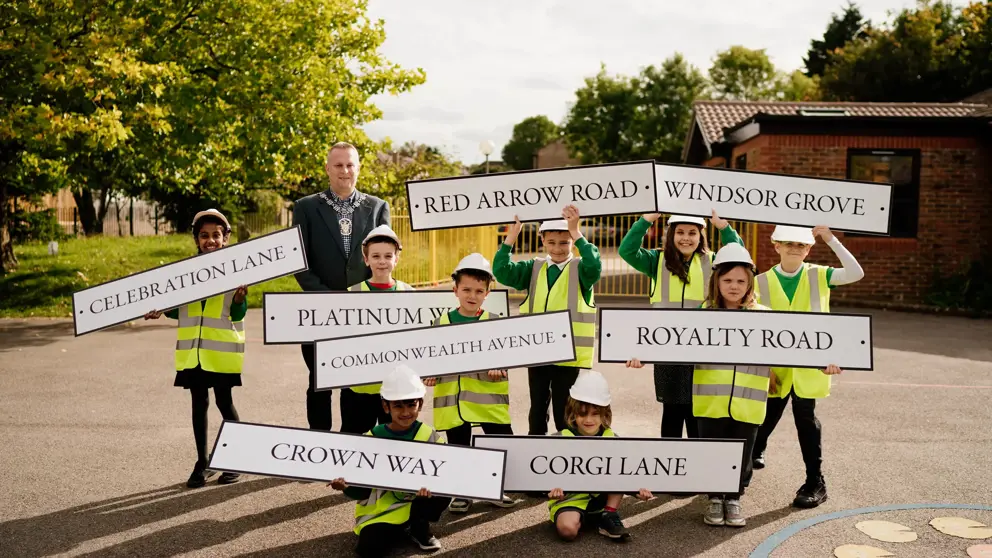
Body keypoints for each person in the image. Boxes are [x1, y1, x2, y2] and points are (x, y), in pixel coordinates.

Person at [751, 225, 862, 509]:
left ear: (809, 249)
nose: (794, 248)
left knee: (806, 418)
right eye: (788, 243)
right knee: (766, 415)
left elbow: (856, 272)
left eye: (801, 244)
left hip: (811, 367)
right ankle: (754, 451)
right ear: (776, 245)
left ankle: (815, 481)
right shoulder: (760, 282)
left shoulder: (820, 274)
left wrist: (830, 238)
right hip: (774, 368)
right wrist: (763, 366)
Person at [143, 209, 247, 488]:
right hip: (193, 353)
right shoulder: (184, 274)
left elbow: (238, 313)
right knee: (198, 404)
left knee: (224, 403)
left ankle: (235, 459)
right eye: (204, 235)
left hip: (222, 353)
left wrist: (239, 299)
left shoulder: (236, 271)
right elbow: (178, 310)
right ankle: (202, 462)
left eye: (216, 235)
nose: (210, 240)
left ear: (226, 238)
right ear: (196, 239)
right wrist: (159, 310)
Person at [618, 210, 744, 439]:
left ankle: (697, 458)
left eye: (692, 233)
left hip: (702, 348)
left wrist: (723, 227)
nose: (686, 238)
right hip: (668, 349)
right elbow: (626, 250)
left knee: (698, 412)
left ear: (701, 235)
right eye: (680, 232)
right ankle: (671, 457)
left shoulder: (713, 261)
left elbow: (738, 256)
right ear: (671, 234)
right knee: (672, 412)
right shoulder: (656, 260)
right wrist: (646, 220)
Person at [292, 142, 391, 431]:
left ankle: (354, 440)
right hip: (319, 311)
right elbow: (299, 261)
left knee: (358, 382)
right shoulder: (306, 207)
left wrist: (362, 298)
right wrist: (329, 298)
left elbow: (384, 258)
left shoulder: (377, 207)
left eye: (350, 165)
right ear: (327, 168)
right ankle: (320, 440)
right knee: (319, 382)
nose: (345, 170)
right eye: (338, 165)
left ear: (358, 168)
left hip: (364, 312)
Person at [493, 204, 601, 435]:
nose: (558, 248)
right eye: (551, 242)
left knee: (565, 410)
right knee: (537, 408)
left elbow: (594, 265)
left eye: (564, 242)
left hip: (569, 356)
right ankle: (536, 444)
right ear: (542, 240)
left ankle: (565, 448)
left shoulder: (581, 269)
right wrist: (511, 237)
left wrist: (577, 232)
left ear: (572, 242)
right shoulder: (533, 267)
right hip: (538, 352)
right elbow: (501, 271)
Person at [422, 253, 517, 513]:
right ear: (455, 290)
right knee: (459, 448)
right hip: (452, 403)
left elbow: (509, 354)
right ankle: (462, 493)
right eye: (466, 290)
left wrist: (501, 366)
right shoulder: (439, 323)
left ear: (487, 293)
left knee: (498, 445)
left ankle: (492, 488)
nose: (472, 296)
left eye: (478, 291)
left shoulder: (495, 322)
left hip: (488, 402)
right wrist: (428, 374)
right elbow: (429, 358)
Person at [330, 364, 451, 556]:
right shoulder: (371, 438)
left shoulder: (430, 437)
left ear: (420, 404)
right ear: (386, 407)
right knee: (368, 549)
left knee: (444, 490)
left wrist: (433, 487)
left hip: (415, 505)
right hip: (380, 514)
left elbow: (450, 472)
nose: (405, 412)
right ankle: (400, 530)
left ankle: (419, 527)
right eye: (398, 406)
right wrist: (345, 487)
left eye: (411, 405)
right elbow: (361, 491)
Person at [547, 370, 653, 542]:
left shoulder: (612, 438)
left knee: (616, 465)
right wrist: (551, 488)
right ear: (573, 413)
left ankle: (608, 515)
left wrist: (637, 491)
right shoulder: (559, 439)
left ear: (604, 413)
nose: (588, 420)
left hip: (603, 498)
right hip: (571, 498)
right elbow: (544, 471)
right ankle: (582, 518)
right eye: (582, 414)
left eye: (595, 413)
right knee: (567, 531)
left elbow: (626, 472)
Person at [342, 224, 413, 434]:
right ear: (366, 259)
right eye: (376, 256)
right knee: (354, 441)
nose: (382, 261)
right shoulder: (351, 294)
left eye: (388, 256)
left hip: (397, 389)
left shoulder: (410, 294)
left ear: (396, 259)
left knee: (395, 440)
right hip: (358, 388)